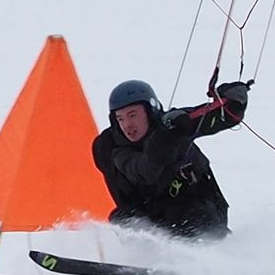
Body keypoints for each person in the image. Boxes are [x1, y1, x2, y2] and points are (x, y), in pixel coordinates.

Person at [91, 77, 252, 240]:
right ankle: (142, 255)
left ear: (150, 111)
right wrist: (162, 140)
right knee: (122, 220)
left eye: (133, 115)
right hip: (153, 215)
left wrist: (234, 99)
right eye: (120, 118)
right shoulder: (111, 147)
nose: (127, 125)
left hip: (200, 211)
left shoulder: (172, 125)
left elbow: (224, 116)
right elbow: (145, 171)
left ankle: (211, 252)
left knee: (192, 217)